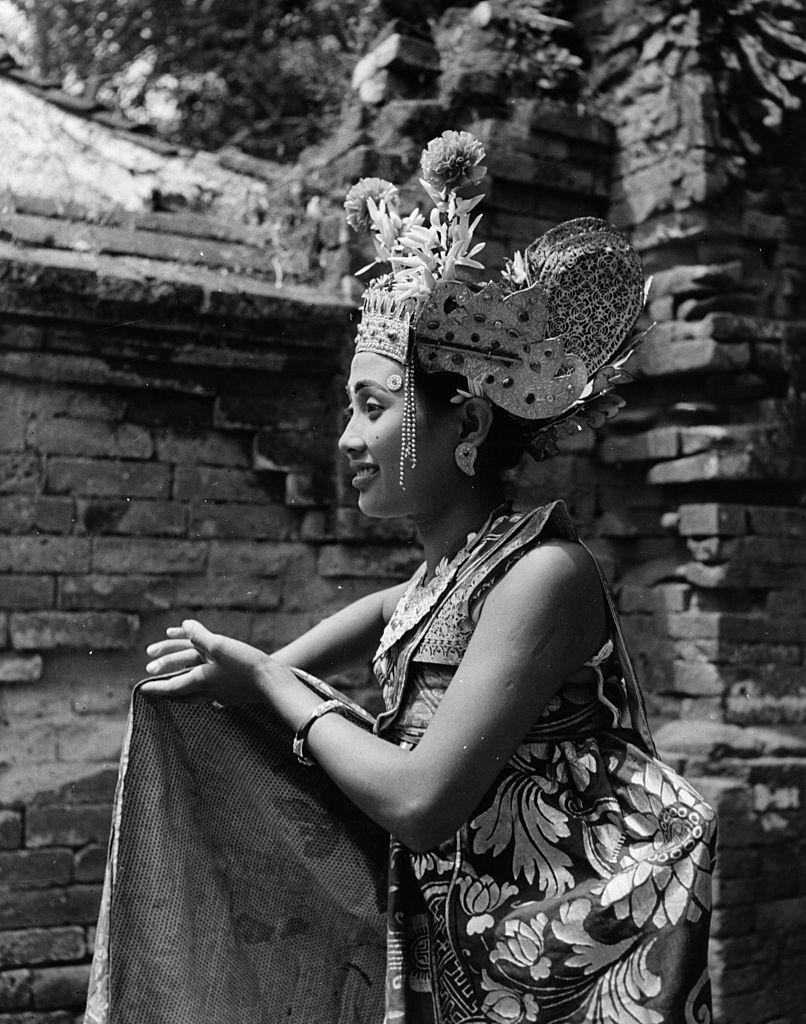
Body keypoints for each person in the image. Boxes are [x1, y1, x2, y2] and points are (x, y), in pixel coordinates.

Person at [86, 132, 716, 1024]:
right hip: (451, 949)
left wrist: (270, 681)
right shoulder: (434, 585)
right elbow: (332, 650)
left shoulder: (544, 578)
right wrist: (231, 684)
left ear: (462, 425)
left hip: (564, 959)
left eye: (373, 409)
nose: (347, 439)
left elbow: (420, 802)